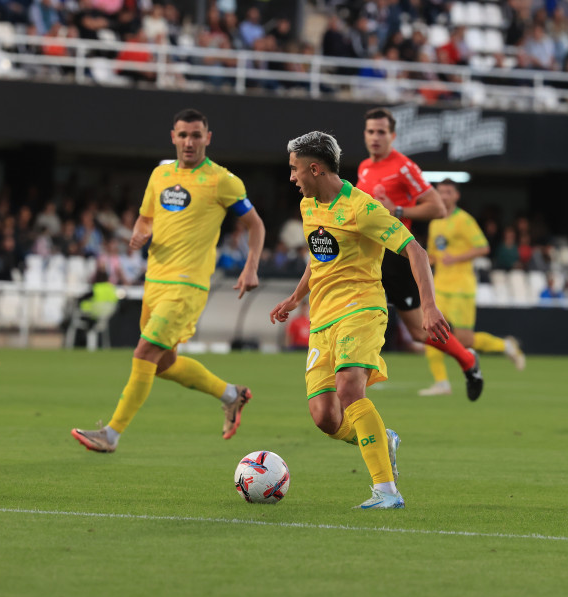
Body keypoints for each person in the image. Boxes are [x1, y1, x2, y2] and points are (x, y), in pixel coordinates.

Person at [270, 131, 451, 510]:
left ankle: (386, 492)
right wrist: (294, 297)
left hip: (361, 309)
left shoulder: (362, 208)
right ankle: (383, 438)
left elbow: (415, 250)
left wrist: (429, 305)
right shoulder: (309, 207)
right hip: (322, 319)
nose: (292, 177)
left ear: (315, 168)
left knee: (350, 388)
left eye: (295, 169)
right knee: (324, 417)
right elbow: (319, 258)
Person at [71, 109, 266, 452]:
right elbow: (146, 219)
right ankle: (232, 395)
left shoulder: (223, 180)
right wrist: (140, 234)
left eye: (196, 135)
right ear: (172, 137)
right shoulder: (160, 174)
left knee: (144, 351)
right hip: (154, 282)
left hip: (188, 285)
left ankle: (111, 434)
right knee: (163, 365)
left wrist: (250, 266)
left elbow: (256, 225)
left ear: (208, 138)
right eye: (183, 135)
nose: (189, 142)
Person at [356, 107, 483, 401]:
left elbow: (437, 208)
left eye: (381, 132)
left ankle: (467, 360)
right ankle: (352, 382)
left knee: (417, 332)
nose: (375, 137)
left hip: (397, 258)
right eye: (371, 131)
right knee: (360, 314)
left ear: (393, 135)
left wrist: (398, 210)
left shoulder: (404, 167)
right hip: (368, 258)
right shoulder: (363, 167)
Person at [419, 179, 526, 397]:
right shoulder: (435, 222)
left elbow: (483, 247)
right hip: (439, 286)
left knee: (465, 340)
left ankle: (505, 346)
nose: (444, 195)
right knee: (430, 331)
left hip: (461, 288)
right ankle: (441, 383)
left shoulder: (464, 220)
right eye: (440, 192)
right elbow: (432, 254)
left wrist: (456, 257)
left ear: (456, 196)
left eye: (448, 192)